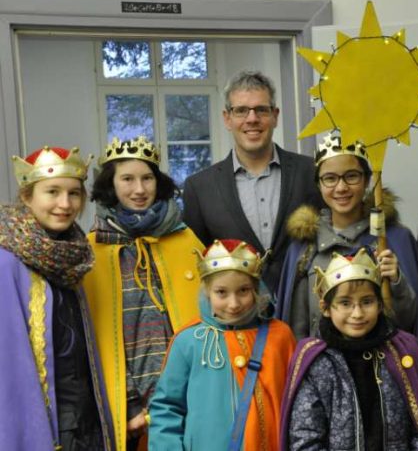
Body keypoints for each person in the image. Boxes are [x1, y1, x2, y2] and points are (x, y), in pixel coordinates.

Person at [81, 136, 203, 450]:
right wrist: (130, 404)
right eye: (127, 179)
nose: (139, 189)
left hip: (190, 396)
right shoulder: (93, 249)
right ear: (111, 184)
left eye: (147, 178)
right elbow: (96, 337)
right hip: (128, 405)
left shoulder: (185, 239)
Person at [0, 146, 114, 450]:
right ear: (27, 196)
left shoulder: (72, 256)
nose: (65, 204)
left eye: (74, 194)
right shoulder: (6, 262)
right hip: (46, 423)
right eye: (52, 192)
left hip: (88, 419)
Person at [280, 247, 418, 450]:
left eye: (367, 302)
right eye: (345, 303)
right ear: (325, 308)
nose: (357, 313)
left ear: (380, 304)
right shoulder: (317, 362)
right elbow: (305, 439)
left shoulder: (404, 352)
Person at [148, 239, 296, 450]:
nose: (233, 303)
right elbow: (166, 408)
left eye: (243, 291)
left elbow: (297, 405)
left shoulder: (280, 336)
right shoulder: (188, 341)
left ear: (256, 289)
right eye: (221, 292)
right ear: (207, 291)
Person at [183, 70, 318, 294]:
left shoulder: (311, 173)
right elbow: (196, 265)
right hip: (236, 316)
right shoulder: (199, 188)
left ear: (275, 115)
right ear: (227, 118)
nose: (252, 119)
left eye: (261, 110)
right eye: (241, 110)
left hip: (304, 311)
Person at [276, 135, 418, 339]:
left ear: (367, 179)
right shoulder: (305, 248)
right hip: (322, 366)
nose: (341, 187)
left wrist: (396, 280)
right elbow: (296, 329)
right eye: (330, 178)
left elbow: (409, 322)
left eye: (351, 176)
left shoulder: (392, 240)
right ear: (318, 184)